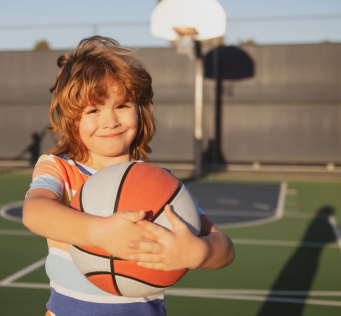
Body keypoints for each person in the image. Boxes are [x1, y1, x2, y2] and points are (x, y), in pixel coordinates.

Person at [23, 36, 234, 316]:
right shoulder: (60, 168)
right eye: (94, 110)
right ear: (72, 119)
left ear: (140, 110)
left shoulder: (159, 184)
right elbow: (35, 212)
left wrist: (199, 253)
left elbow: (225, 248)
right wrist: (100, 232)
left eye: (121, 105)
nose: (110, 121)